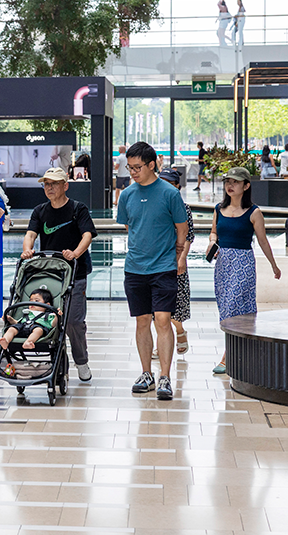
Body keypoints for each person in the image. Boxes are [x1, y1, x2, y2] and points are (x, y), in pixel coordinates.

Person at [117, 142, 188, 401]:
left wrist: (177, 255)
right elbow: (130, 227)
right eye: (130, 167)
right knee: (142, 320)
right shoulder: (126, 195)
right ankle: (146, 373)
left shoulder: (169, 193)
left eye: (137, 167)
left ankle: (165, 377)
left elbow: (182, 228)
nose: (132, 172)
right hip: (135, 268)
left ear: (151, 165)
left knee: (162, 319)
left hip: (163, 267)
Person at [22, 166, 97, 382]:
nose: (49, 187)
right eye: (46, 184)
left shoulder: (77, 209)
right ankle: (53, 360)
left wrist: (75, 253)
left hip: (75, 274)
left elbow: (87, 236)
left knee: (73, 321)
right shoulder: (40, 211)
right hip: (49, 275)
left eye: (54, 183)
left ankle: (81, 361)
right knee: (47, 318)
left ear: (66, 185)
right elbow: (30, 234)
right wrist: (28, 249)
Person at [208, 167, 281, 374]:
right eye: (227, 182)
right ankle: (242, 351)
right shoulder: (218, 209)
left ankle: (227, 357)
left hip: (243, 263)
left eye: (235, 182)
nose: (230, 185)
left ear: (246, 186)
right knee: (227, 311)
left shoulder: (254, 212)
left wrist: (274, 265)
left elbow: (263, 241)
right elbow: (214, 232)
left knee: (232, 306)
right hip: (223, 264)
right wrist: (212, 243)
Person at [157, 168, 193, 356]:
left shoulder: (182, 207)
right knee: (158, 310)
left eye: (170, 183)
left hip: (174, 261)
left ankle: (180, 332)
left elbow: (188, 236)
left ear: (177, 186)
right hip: (156, 261)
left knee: (174, 309)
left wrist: (181, 259)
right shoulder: (155, 203)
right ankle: (161, 345)